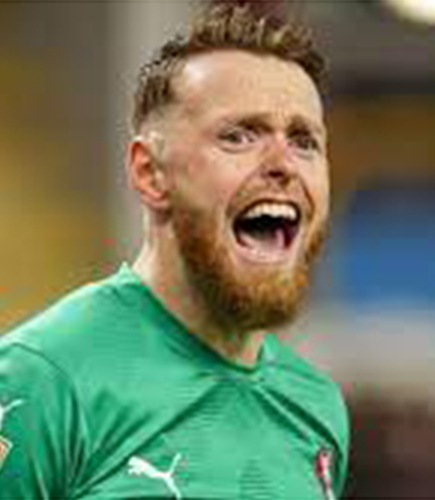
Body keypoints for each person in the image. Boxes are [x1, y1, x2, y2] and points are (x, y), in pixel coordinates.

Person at [0, 4, 349, 499]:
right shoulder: (42, 379)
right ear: (150, 173)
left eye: (304, 141)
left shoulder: (316, 406)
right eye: (238, 136)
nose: (283, 164)